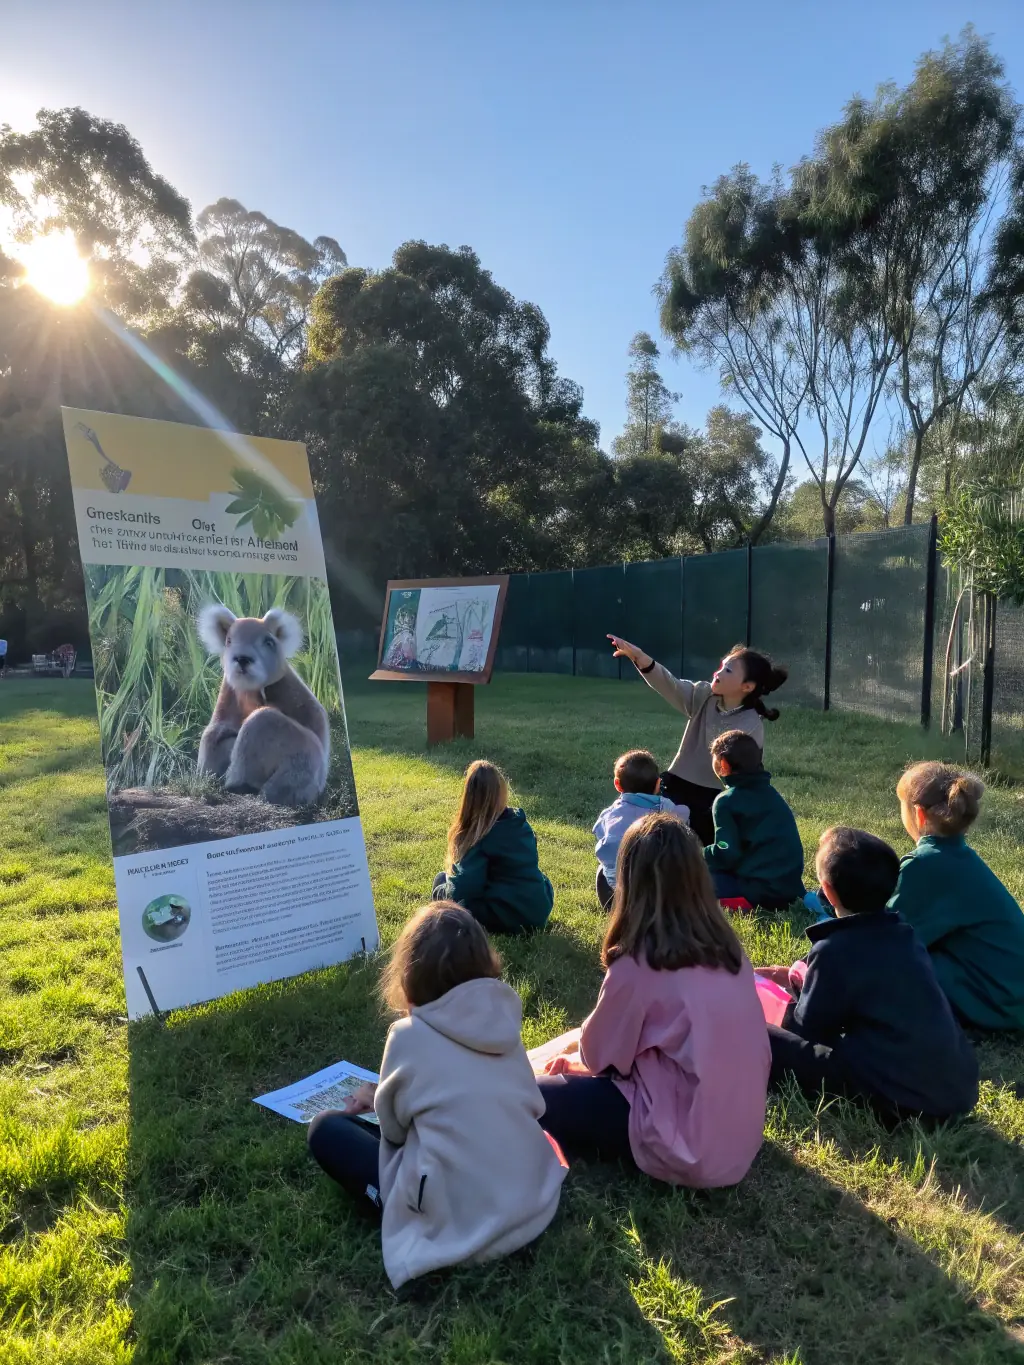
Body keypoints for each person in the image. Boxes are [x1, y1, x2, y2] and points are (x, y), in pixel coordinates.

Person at [307, 902, 567, 1291]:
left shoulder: (408, 1037)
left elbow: (394, 1132)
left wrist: (377, 1102)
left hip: (461, 1220)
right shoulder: (503, 1020)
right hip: (530, 1200)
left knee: (325, 1129)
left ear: (410, 978)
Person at [536, 812, 770, 1187]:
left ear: (630, 880)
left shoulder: (637, 965)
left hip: (686, 1147)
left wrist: (575, 1065)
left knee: (530, 1095)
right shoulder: (730, 951)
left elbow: (598, 1057)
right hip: (739, 1138)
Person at [766, 827, 978, 1122]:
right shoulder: (905, 935)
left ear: (827, 891)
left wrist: (792, 997)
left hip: (897, 1097)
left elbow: (807, 1031)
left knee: (761, 1035)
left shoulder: (834, 949)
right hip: (958, 1089)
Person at [606, 636, 788, 845]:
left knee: (696, 856)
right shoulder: (704, 695)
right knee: (652, 841)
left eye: (728, 670)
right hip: (674, 787)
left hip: (712, 801)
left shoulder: (751, 725)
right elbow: (669, 684)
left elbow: (747, 779)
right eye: (721, 666)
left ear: (747, 686)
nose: (718, 673)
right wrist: (638, 656)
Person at [889, 761, 1024, 1030]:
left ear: (919, 815)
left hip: (1000, 1001)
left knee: (894, 966)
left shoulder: (924, 865)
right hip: (1013, 992)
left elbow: (886, 936)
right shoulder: (958, 858)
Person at [431, 760, 554, 934]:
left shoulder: (479, 837)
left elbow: (462, 890)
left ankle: (435, 930)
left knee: (441, 881)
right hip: (540, 908)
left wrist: (442, 892)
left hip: (510, 917)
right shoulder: (520, 824)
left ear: (469, 799)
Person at [703, 730, 805, 909]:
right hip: (791, 890)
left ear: (724, 765)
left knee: (691, 874)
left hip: (757, 893)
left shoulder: (726, 801)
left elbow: (727, 854)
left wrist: (698, 854)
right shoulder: (772, 794)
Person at [592, 749, 689, 910]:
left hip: (619, 894)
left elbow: (602, 841)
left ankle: (613, 909)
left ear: (617, 784)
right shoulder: (666, 808)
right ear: (658, 783)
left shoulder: (609, 815)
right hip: (660, 892)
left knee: (602, 869)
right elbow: (683, 822)